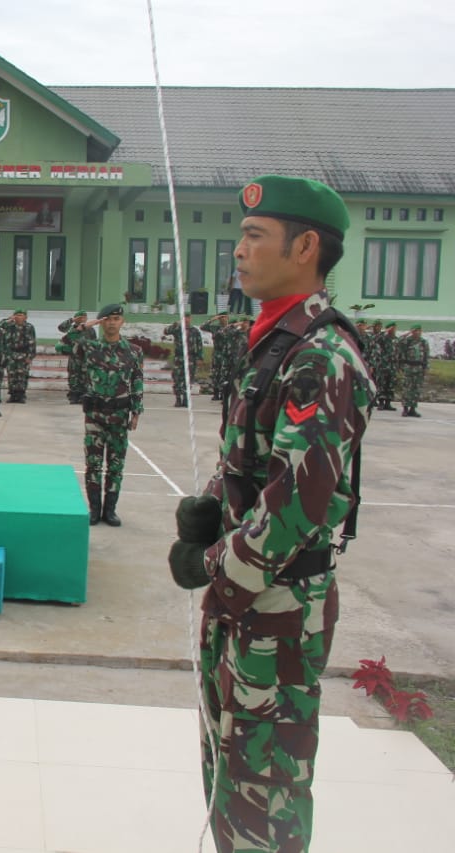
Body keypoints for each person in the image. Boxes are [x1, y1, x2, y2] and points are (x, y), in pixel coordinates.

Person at [168, 175, 375, 853]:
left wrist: (211, 565)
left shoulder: (320, 355)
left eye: (255, 236)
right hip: (249, 604)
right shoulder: (279, 342)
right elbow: (256, 465)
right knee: (233, 776)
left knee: (265, 795)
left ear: (306, 246)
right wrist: (210, 507)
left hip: (277, 611)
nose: (239, 249)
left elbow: (294, 507)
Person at [77, 304, 143, 526]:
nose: (112, 322)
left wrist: (136, 411)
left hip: (119, 415)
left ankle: (110, 510)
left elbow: (137, 381)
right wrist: (83, 327)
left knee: (115, 466)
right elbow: (63, 344)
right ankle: (94, 509)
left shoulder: (133, 351)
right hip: (95, 415)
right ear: (101, 322)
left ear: (122, 321)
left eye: (116, 318)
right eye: (107, 319)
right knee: (93, 465)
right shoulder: (90, 347)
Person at [163, 315, 204, 407]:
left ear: (190, 318)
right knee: (177, 378)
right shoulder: (177, 329)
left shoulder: (195, 331)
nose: (186, 319)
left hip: (191, 358)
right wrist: (174, 325)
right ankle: (178, 399)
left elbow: (199, 344)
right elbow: (165, 331)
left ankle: (186, 399)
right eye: (184, 317)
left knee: (189, 379)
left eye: (188, 317)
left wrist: (200, 357)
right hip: (179, 358)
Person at [56, 311, 96, 404]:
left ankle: (83, 395)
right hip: (74, 357)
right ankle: (74, 396)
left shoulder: (90, 329)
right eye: (80, 317)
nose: (83, 319)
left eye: (84, 317)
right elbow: (61, 328)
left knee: (85, 376)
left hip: (86, 357)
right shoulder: (71, 329)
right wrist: (72, 320)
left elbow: (94, 342)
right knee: (74, 376)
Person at [1, 308, 37, 403]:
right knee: (11, 375)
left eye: (21, 315)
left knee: (22, 375)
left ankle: (21, 395)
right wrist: (9, 319)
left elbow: (32, 342)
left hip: (23, 354)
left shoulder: (29, 327)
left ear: (25, 317)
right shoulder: (9, 325)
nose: (19, 317)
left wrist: (30, 356)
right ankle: (13, 395)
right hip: (11, 354)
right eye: (17, 315)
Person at [397, 324, 430, 417]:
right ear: (412, 331)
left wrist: (426, 368)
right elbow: (398, 342)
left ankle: (413, 409)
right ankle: (405, 409)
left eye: (419, 330)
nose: (417, 332)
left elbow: (426, 356)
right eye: (415, 331)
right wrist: (407, 334)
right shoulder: (407, 341)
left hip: (419, 368)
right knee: (407, 389)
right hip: (409, 367)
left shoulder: (424, 342)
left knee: (416, 389)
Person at [374, 321, 400, 410]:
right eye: (392, 328)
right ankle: (381, 402)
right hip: (383, 365)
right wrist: (385, 331)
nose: (394, 330)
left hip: (392, 366)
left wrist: (398, 365)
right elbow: (375, 338)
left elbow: (398, 352)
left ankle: (388, 403)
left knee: (391, 384)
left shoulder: (396, 339)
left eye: (395, 328)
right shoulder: (383, 338)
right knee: (382, 384)